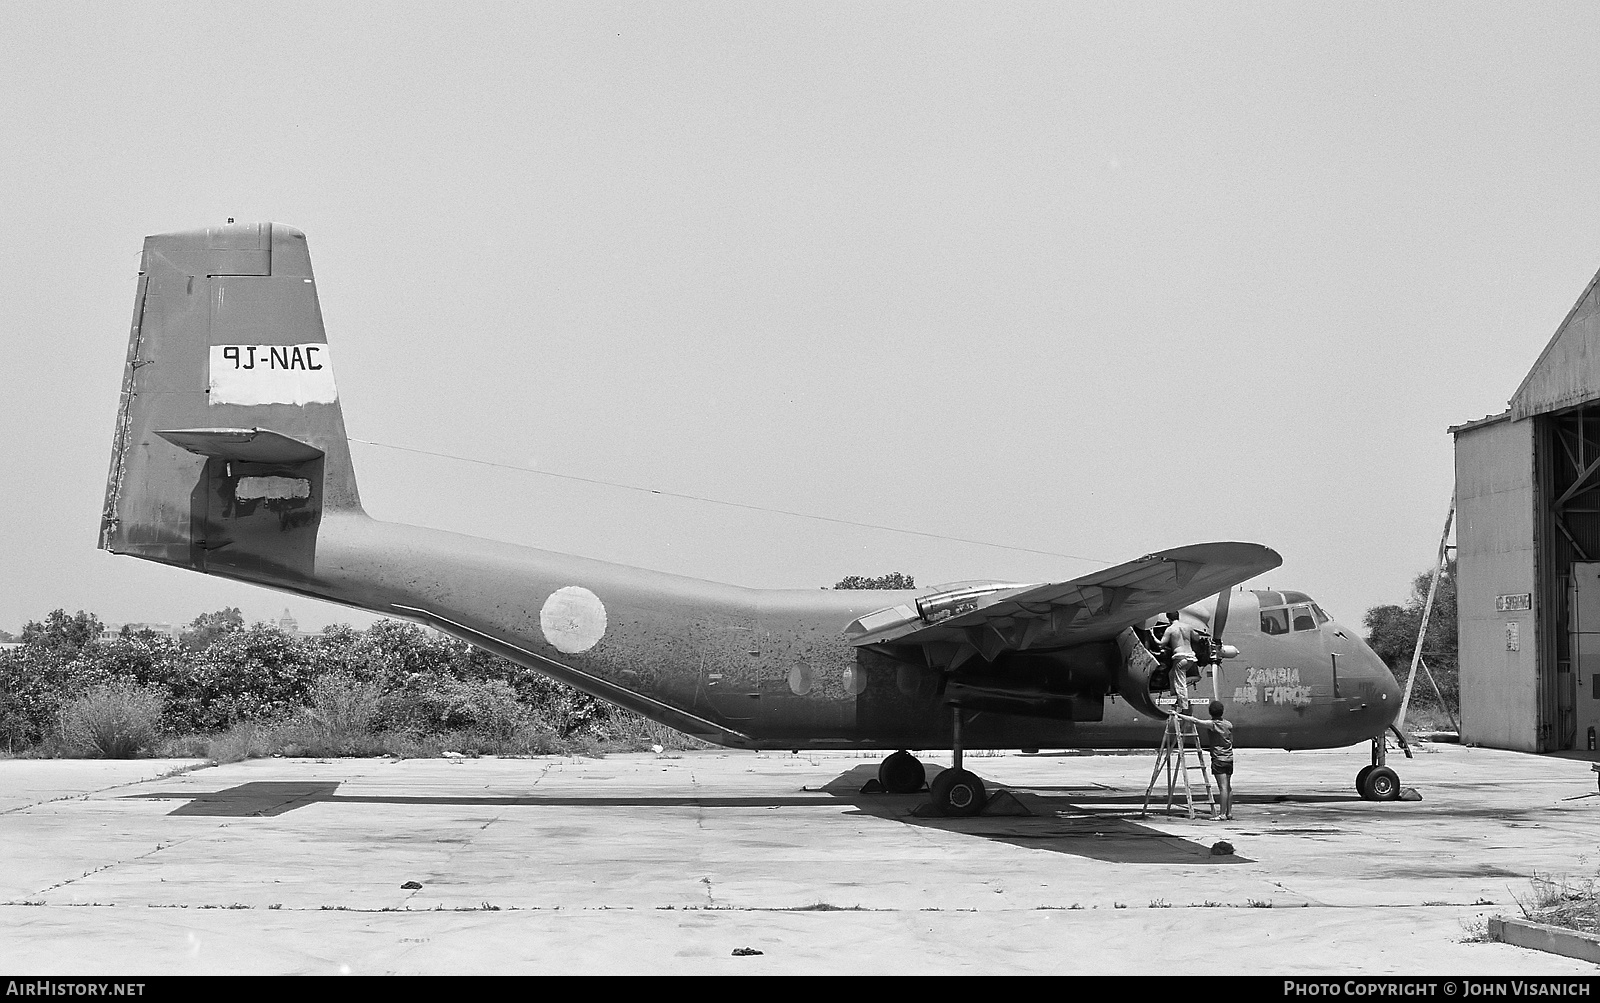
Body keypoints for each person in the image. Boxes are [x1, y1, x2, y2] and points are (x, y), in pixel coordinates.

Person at [1177, 699, 1235, 820]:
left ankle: (1222, 814)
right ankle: (1229, 813)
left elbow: (1195, 721)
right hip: (1229, 758)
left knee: (1222, 787)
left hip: (1219, 759)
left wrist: (1178, 714)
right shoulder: (1228, 724)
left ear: (1211, 712)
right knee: (1228, 787)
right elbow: (1230, 741)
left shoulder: (1214, 724)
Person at [1158, 612, 1197, 712]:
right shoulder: (1188, 626)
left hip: (1180, 658)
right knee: (1172, 674)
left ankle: (1184, 707)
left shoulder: (1170, 629)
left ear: (1168, 619)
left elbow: (1161, 644)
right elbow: (1197, 638)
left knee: (1180, 682)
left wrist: (1152, 635)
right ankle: (1176, 695)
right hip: (1190, 658)